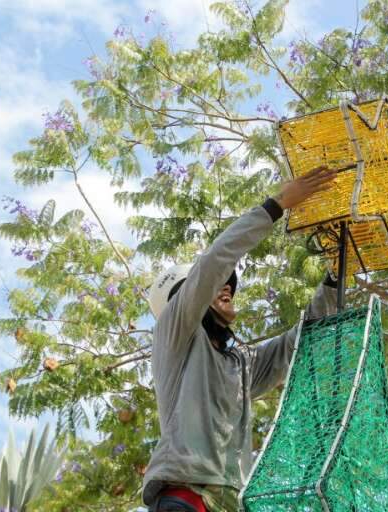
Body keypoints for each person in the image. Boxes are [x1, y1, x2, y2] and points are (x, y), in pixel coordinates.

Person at [143, 166, 340, 512]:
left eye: (230, 284)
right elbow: (215, 262)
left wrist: (335, 278)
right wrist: (277, 205)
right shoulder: (174, 334)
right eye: (218, 284)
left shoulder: (240, 365)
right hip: (186, 497)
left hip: (228, 502)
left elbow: (300, 342)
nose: (227, 287)